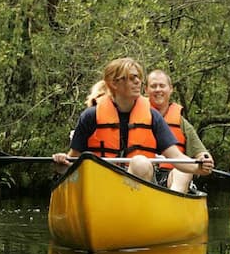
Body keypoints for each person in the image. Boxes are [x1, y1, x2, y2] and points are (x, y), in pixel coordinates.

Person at [52, 57, 213, 192]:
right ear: (114, 84)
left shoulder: (152, 117)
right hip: (102, 189)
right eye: (130, 78)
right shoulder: (90, 116)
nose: (137, 82)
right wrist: (61, 163)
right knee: (94, 164)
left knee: (140, 162)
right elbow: (70, 163)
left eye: (138, 77)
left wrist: (199, 168)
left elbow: (176, 157)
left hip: (139, 195)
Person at [145, 69, 215, 193]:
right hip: (145, 175)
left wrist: (204, 160)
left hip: (171, 176)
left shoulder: (182, 124)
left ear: (170, 89)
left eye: (162, 86)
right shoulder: (135, 117)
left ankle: (172, 205)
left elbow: (202, 154)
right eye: (153, 86)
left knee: (182, 172)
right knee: (140, 165)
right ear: (146, 90)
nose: (158, 90)